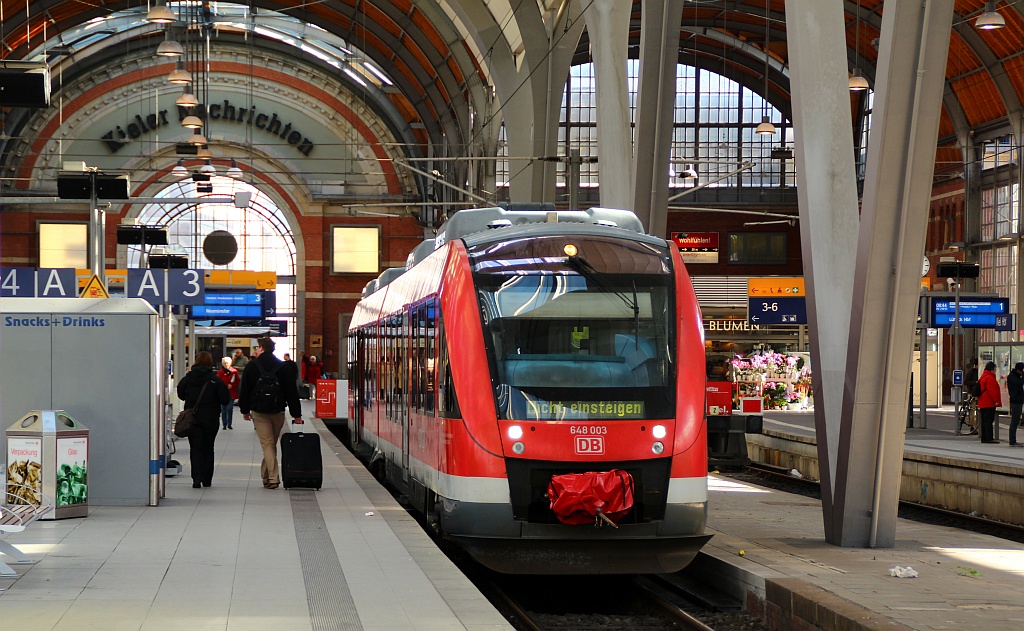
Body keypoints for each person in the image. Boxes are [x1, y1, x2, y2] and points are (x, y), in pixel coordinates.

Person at [238, 337, 303, 489]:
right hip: (278, 411)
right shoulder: (283, 367)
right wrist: (296, 414)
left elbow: (245, 390)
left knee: (268, 445)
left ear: (261, 348)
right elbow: (291, 392)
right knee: (270, 444)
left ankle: (273, 479)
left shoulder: (252, 366)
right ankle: (266, 476)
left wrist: (245, 410)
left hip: (259, 412)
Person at [176, 351, 230, 488]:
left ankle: (196, 478)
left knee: (195, 447)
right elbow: (225, 399)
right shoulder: (214, 379)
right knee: (208, 447)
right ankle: (207, 479)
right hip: (210, 418)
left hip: (192, 419)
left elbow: (180, 394)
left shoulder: (188, 378)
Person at [977, 361, 1002, 444]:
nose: (995, 371)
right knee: (988, 421)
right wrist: (996, 401)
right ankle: (989, 438)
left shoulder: (983, 376)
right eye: (995, 369)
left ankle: (984, 437)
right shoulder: (990, 378)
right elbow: (993, 391)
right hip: (989, 402)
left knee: (984, 421)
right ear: (992, 369)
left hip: (983, 402)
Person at [216, 356, 240, 429]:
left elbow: (237, 381)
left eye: (227, 363)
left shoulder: (234, 371)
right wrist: (226, 385)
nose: (226, 364)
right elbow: (218, 381)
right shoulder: (220, 372)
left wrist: (232, 385)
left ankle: (229, 423)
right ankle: (224, 424)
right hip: (223, 392)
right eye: (224, 363)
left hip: (231, 392)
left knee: (230, 408)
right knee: (224, 409)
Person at [1008, 362, 1024, 447]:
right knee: (1015, 421)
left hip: (1018, 400)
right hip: (1015, 401)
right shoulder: (1012, 376)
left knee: (1016, 420)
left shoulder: (1016, 375)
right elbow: (1019, 383)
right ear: (1019, 370)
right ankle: (1012, 440)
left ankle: (1013, 440)